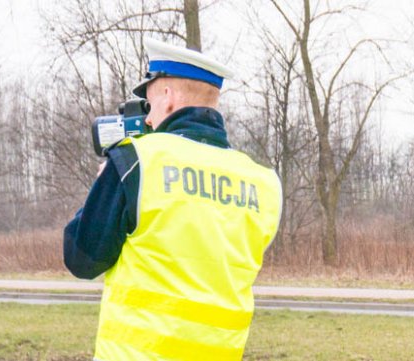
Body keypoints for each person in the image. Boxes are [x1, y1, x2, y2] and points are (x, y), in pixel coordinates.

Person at [63, 39, 282, 361]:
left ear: (168, 97)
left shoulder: (135, 160)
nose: (148, 120)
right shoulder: (263, 182)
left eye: (149, 106)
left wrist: (103, 185)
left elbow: (82, 259)